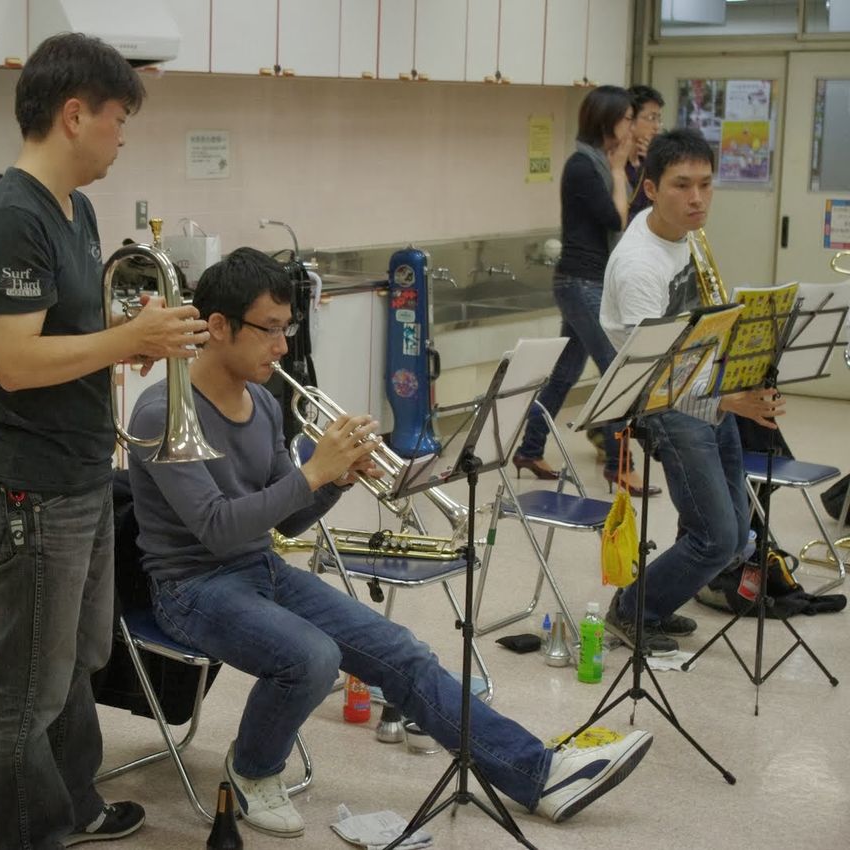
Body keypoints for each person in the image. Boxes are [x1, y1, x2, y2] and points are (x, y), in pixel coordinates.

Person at [128, 247, 653, 838]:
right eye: (269, 330)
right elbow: (218, 527)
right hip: (191, 587)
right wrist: (313, 472)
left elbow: (285, 525)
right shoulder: (161, 412)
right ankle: (252, 770)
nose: (281, 347)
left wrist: (335, 481)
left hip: (258, 569)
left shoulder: (265, 405)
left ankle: (540, 775)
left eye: (287, 329)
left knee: (402, 651)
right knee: (311, 657)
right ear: (219, 327)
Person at [0, 33, 210, 850]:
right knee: (27, 686)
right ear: (74, 115)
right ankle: (28, 836)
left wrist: (131, 338)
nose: (122, 136)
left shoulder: (80, 210)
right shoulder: (12, 218)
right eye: (117, 118)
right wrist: (123, 338)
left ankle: (75, 808)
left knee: (77, 658)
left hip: (81, 469)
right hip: (31, 484)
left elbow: (71, 334)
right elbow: (14, 361)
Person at [599, 128, 786, 654]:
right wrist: (730, 400)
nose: (697, 198)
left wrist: (743, 371)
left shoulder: (688, 235)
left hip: (707, 387)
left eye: (705, 184)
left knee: (735, 532)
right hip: (666, 404)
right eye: (682, 185)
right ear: (651, 189)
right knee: (718, 538)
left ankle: (654, 605)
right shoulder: (639, 266)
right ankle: (632, 610)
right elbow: (657, 373)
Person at [512, 85, 660, 496]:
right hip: (580, 282)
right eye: (628, 119)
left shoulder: (606, 164)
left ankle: (529, 450)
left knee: (564, 374)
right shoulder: (583, 165)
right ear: (607, 121)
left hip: (593, 281)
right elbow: (616, 219)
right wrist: (619, 170)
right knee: (616, 368)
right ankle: (619, 464)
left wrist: (631, 167)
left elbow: (639, 213)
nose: (633, 126)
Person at [625, 85, 665, 220]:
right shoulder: (615, 162)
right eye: (651, 118)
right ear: (630, 119)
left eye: (659, 119)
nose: (657, 126)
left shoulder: (649, 158)